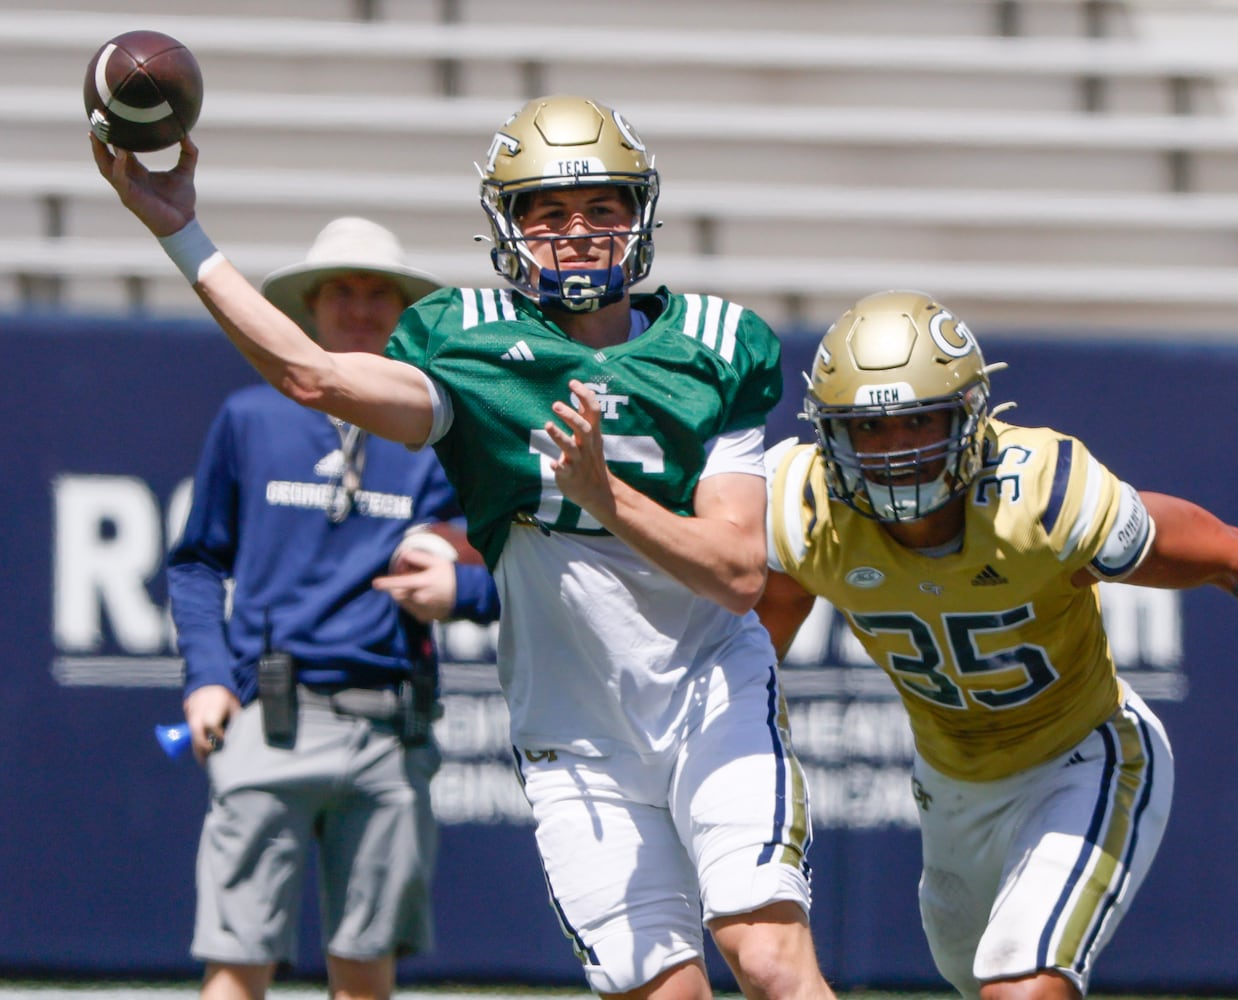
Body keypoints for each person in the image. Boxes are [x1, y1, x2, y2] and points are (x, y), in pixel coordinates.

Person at [95, 94, 836, 1000]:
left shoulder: (718, 345)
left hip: (711, 694)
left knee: (765, 956)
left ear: (639, 216)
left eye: (603, 207)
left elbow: (735, 572)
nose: (579, 232)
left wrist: (603, 497)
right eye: (549, 211)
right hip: (575, 737)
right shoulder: (470, 348)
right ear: (507, 226)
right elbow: (310, 373)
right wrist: (182, 233)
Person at [756, 289, 1238, 1000]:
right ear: (829, 432)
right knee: (971, 978)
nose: (896, 452)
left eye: (917, 422)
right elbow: (764, 634)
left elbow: (1224, 554)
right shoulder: (803, 509)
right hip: (951, 784)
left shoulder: (1043, 498)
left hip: (1085, 757)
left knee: (1020, 985)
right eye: (869, 429)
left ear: (968, 416)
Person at [167, 217, 499, 1000]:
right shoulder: (251, 419)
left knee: (365, 969)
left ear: (401, 310)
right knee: (237, 961)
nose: (358, 309)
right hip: (268, 713)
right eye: (341, 292)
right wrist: (208, 677)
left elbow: (516, 566)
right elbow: (195, 563)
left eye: (377, 293)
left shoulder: (441, 431)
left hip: (392, 725)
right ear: (311, 307)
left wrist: (462, 592)